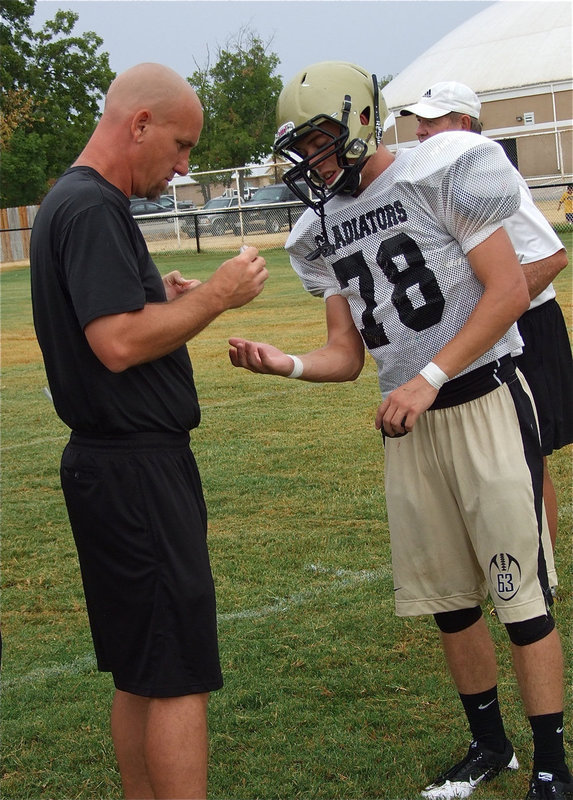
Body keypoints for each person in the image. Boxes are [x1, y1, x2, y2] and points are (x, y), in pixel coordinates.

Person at [228, 62, 572, 800]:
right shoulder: (318, 229)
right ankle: (488, 747)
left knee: (519, 597)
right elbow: (346, 356)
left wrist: (431, 375)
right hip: (410, 421)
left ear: (357, 122)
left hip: (481, 397)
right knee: (448, 600)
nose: (313, 165)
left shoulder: (442, 168)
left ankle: (551, 762)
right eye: (302, 153)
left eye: (322, 144)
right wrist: (284, 364)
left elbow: (510, 289)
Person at [30, 62, 268, 800]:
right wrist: (220, 297)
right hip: (136, 472)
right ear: (139, 125)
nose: (184, 165)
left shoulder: (66, 203)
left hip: (111, 469)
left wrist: (151, 293)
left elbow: (111, 318)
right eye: (181, 144)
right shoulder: (94, 206)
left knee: (141, 668)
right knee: (174, 674)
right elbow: (118, 344)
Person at [400, 81, 573, 549]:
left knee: (527, 452)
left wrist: (492, 311)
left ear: (463, 124)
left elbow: (550, 257)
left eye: (431, 121)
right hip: (505, 325)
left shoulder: (487, 174)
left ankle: (542, 576)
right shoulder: (448, 175)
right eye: (419, 121)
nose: (420, 131)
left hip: (529, 324)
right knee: (510, 454)